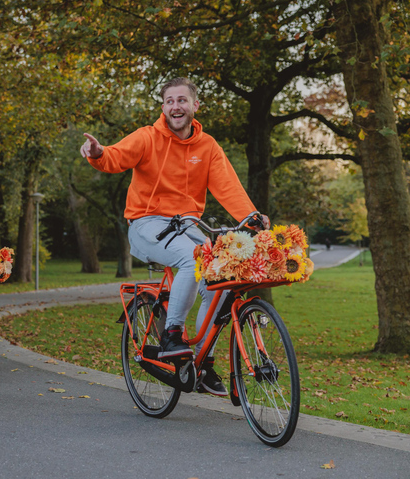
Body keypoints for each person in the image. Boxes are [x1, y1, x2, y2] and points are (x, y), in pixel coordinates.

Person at [80, 77, 269, 396]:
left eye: (182, 100)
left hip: (186, 225)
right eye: (169, 101)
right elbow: (116, 157)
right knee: (191, 258)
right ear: (163, 107)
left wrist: (250, 217)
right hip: (146, 223)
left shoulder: (208, 146)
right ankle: (171, 335)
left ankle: (201, 363)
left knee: (222, 279)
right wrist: (98, 153)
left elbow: (228, 188)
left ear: (195, 105)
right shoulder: (147, 138)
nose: (176, 106)